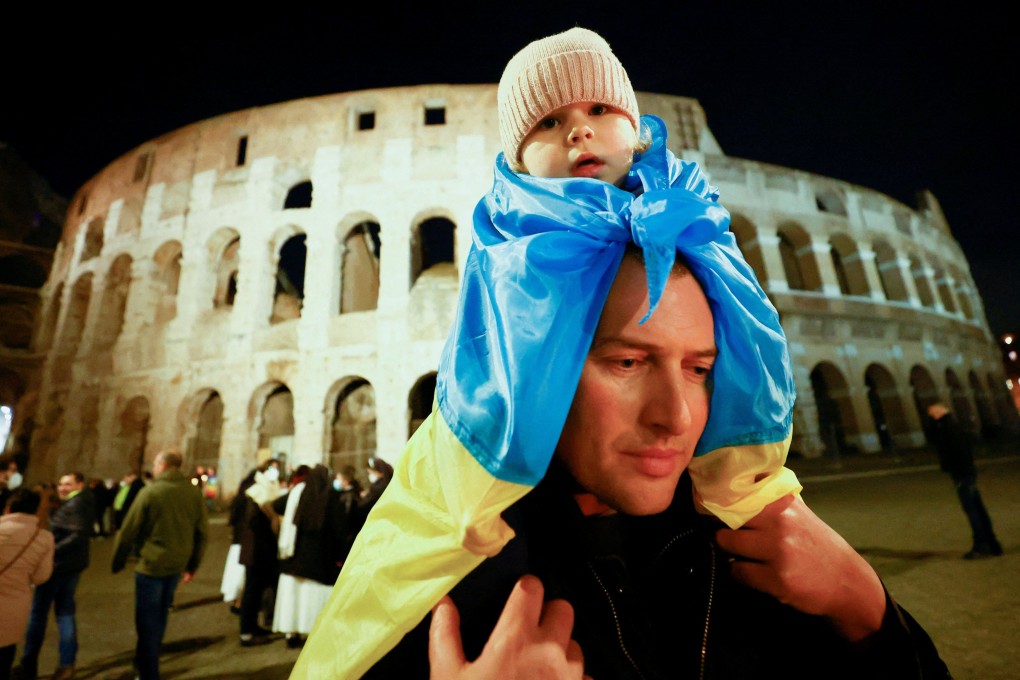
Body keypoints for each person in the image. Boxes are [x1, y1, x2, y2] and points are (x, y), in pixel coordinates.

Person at [293, 28, 942, 678]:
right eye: (627, 362)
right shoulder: (458, 576)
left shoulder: (758, 541)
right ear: (546, 356)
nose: (678, 418)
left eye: (700, 370)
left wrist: (869, 612)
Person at [111, 450, 208, 680]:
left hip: (151, 565)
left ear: (162, 465)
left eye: (155, 464)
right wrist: (192, 565)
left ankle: (148, 672)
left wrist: (118, 560)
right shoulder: (193, 493)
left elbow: (128, 530)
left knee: (146, 621)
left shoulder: (151, 492)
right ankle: (142, 662)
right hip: (176, 566)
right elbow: (202, 533)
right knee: (160, 617)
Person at [16, 472, 94, 680]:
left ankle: (29, 664)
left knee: (39, 615)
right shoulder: (78, 501)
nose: (62, 487)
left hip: (58, 568)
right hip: (71, 567)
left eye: (68, 484)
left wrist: (49, 549)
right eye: (60, 484)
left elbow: (76, 535)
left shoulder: (76, 504)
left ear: (80, 484)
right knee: (65, 613)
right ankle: (67, 664)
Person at [272, 465, 343, 649]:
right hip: (319, 557)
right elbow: (338, 528)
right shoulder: (330, 496)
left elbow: (278, 505)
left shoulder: (298, 493)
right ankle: (313, 633)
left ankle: (291, 633)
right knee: (313, 597)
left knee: (293, 597)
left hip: (294, 555)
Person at [926, 402, 1003, 559]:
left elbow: (951, 449)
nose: (930, 416)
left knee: (972, 510)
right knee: (978, 508)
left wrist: (958, 472)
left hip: (962, 474)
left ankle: (982, 545)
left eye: (932, 413)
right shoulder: (952, 425)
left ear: (939, 411)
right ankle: (993, 544)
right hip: (966, 472)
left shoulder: (947, 428)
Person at [1, 490, 54, 680]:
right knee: (5, 654)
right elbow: (41, 577)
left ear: (8, 509)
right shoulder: (44, 538)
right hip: (14, 606)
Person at [237, 460, 283, 646]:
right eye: (272, 469)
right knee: (252, 591)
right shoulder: (257, 492)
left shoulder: (266, 491)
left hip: (260, 551)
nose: (275, 473)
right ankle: (246, 632)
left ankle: (253, 626)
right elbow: (255, 524)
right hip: (255, 551)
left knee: (256, 591)